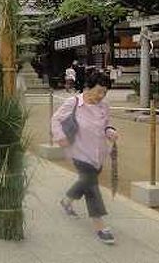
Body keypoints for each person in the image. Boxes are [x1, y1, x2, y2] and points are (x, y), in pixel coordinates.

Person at [51, 72, 119, 245]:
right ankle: (100, 226)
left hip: (98, 153)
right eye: (98, 91)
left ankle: (66, 201)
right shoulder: (73, 103)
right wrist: (60, 137)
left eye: (104, 92)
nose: (101, 96)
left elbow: (106, 125)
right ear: (88, 88)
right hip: (79, 151)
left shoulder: (104, 106)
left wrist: (110, 132)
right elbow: (56, 119)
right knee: (91, 186)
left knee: (85, 181)